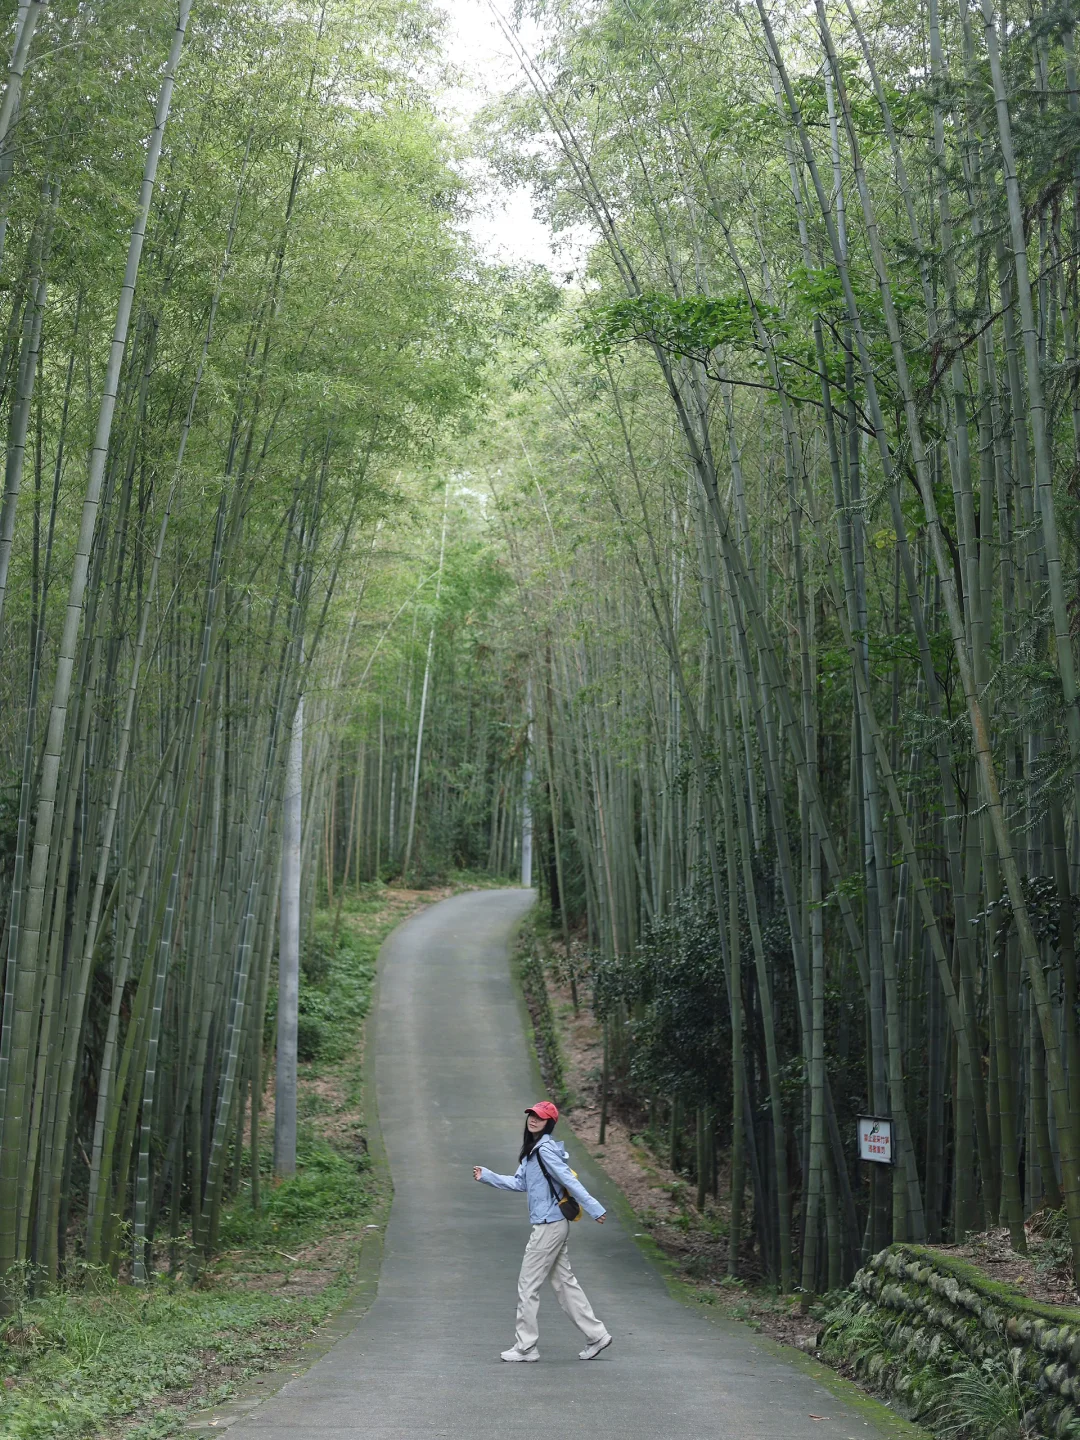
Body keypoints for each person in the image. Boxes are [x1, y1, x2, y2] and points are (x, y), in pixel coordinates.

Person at [473, 1100, 613, 1363]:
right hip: (552, 1224)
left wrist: (594, 1208)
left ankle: (526, 1346)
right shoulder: (532, 1150)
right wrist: (488, 1176)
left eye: (539, 1117)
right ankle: (597, 1335)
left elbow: (568, 1180)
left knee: (528, 1284)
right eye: (531, 1116)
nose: (533, 1120)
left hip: (549, 1225)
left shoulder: (545, 1149)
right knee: (564, 1284)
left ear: (549, 1123)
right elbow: (519, 1183)